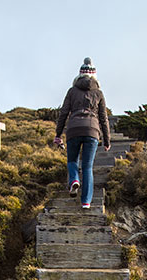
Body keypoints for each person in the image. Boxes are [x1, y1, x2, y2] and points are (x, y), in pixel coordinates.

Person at [54, 57, 110, 209]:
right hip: (92, 131)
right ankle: (86, 202)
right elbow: (103, 118)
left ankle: (74, 180)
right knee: (87, 167)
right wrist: (107, 140)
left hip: (73, 129)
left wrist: (58, 134)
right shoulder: (98, 93)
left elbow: (64, 113)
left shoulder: (72, 91)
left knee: (72, 160)